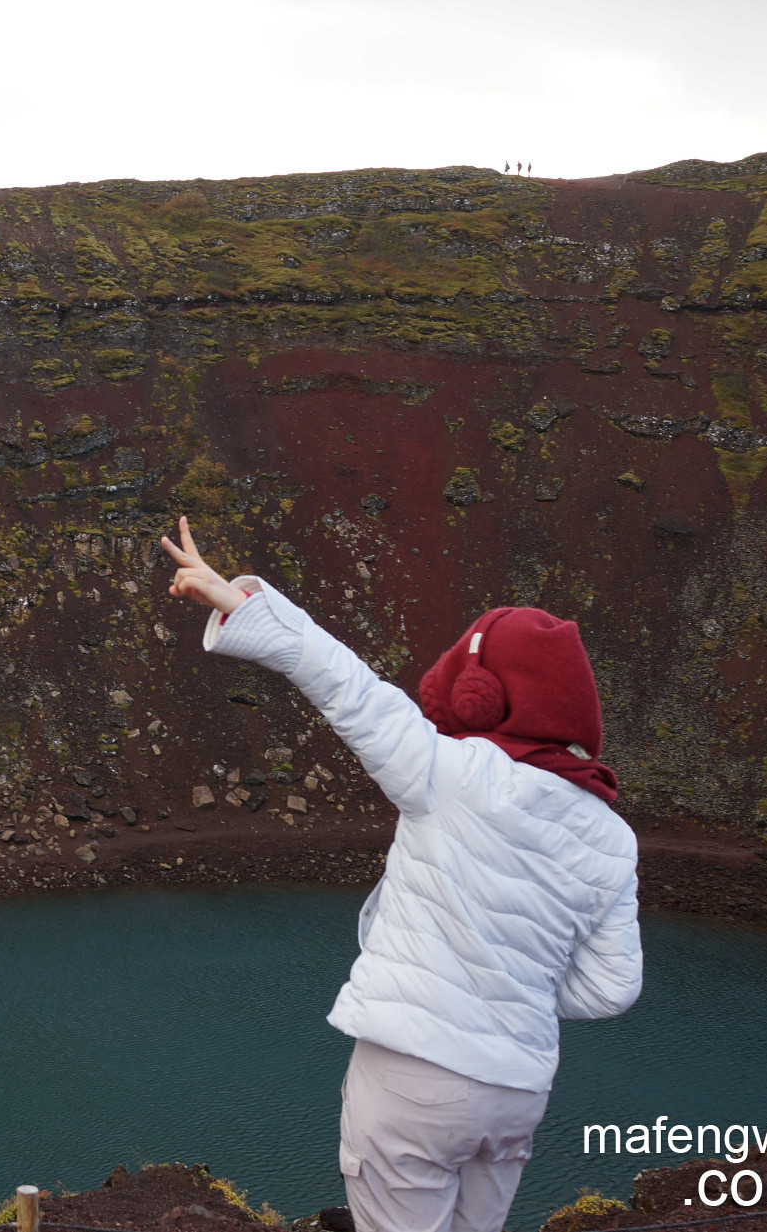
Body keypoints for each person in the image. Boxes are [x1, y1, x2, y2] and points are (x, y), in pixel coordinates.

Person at [163, 516, 641, 1232]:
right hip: (517, 1091)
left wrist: (243, 604)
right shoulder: (611, 835)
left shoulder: (450, 774)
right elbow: (613, 987)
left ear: (484, 692)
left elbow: (351, 690)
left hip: (417, 1077)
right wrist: (515, 983)